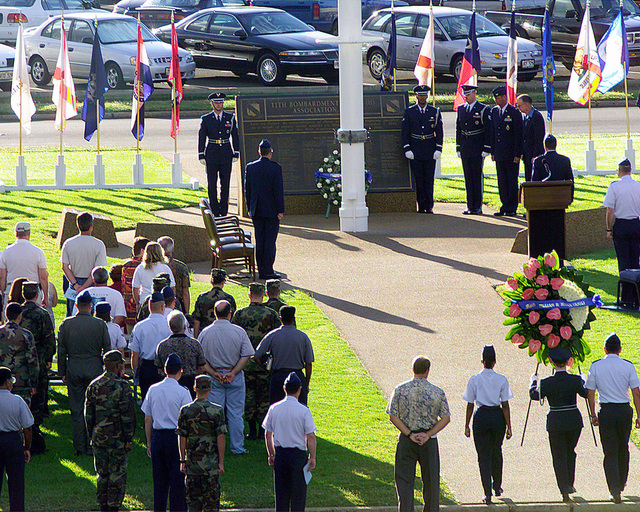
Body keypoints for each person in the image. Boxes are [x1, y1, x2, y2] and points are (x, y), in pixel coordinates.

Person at [387, 356, 450, 512]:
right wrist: (428, 434)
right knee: (431, 482)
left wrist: (409, 434)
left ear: (413, 369)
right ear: (428, 371)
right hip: (429, 441)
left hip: (407, 439)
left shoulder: (400, 390)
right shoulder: (437, 392)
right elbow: (446, 418)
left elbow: (393, 416)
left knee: (404, 480)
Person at [586, 333, 640, 504]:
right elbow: (636, 392)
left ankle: (614, 488)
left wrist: (593, 414)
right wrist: (639, 415)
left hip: (607, 411)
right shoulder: (628, 366)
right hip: (624, 410)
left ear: (604, 349)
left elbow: (590, 392)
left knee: (609, 450)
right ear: (620, 350)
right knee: (623, 447)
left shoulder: (596, 366)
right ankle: (621, 482)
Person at [530, 346, 587, 503]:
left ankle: (564, 489)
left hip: (556, 421)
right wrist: (583, 379)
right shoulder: (575, 380)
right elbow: (585, 393)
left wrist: (533, 382)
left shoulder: (547, 382)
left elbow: (534, 395)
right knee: (570, 452)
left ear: (551, 361)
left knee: (559, 456)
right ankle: (569, 483)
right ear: (568, 361)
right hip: (574, 421)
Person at [58, 290, 111, 456]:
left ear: (76, 305)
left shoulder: (66, 324)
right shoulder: (100, 324)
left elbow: (61, 351)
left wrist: (62, 372)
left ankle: (80, 446)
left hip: (74, 368)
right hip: (94, 369)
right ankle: (93, 444)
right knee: (95, 409)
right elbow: (108, 350)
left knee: (76, 409)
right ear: (91, 306)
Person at [199, 300, 254, 454]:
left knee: (214, 413)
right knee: (236, 414)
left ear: (214, 313)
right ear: (230, 313)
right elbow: (246, 355)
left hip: (214, 377)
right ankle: (237, 447)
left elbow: (201, 360)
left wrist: (214, 373)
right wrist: (233, 372)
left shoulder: (205, 333)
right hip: (233, 376)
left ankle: (213, 446)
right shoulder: (239, 332)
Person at [84, 350, 136, 512]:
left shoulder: (94, 385)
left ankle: (103, 506)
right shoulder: (123, 386)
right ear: (116, 365)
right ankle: (114, 506)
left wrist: (91, 435)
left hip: (99, 438)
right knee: (117, 475)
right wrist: (129, 438)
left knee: (102, 474)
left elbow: (88, 415)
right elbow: (127, 415)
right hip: (118, 439)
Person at [462, 345, 513, 504]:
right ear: (495, 361)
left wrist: (467, 424)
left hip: (481, 416)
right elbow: (505, 404)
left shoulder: (474, 379)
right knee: (496, 451)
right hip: (497, 416)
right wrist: (509, 425)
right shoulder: (501, 379)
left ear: (482, 361)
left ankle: (487, 492)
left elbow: (470, 404)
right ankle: (497, 486)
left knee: (483, 456)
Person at [142, 353, 192, 512]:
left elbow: (147, 419)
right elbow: (187, 421)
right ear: (180, 371)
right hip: (175, 438)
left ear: (164, 370)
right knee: (178, 482)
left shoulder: (153, 389)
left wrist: (149, 442)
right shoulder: (183, 392)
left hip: (158, 437)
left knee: (159, 483)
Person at [232, 282, 281, 440]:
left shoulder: (240, 314)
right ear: (264, 295)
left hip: (245, 363)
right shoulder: (271, 314)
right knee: (264, 397)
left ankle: (251, 429)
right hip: (265, 364)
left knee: (249, 396)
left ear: (249, 294)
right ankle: (262, 430)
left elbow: (234, 337)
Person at [262, 372, 317, 512]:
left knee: (281, 496)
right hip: (298, 456)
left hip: (281, 455)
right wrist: (312, 457)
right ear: (299, 389)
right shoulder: (304, 411)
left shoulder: (274, 408)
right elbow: (311, 436)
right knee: (298, 497)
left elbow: (268, 434)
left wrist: (271, 454)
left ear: (284, 388)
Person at [177, 374, 227, 512]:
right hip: (211, 466)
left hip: (193, 466)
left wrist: (182, 460)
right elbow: (220, 437)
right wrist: (221, 462)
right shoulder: (217, 411)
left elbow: (182, 437)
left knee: (193, 505)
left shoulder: (186, 410)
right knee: (211, 506)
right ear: (210, 388)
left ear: (194, 388)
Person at [20, 282, 56, 454]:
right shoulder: (42, 314)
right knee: (38, 400)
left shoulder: (17, 312)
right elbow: (49, 340)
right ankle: (34, 436)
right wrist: (48, 357)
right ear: (37, 294)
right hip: (38, 363)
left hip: (19, 365)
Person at [255, 305, 314, 406]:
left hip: (278, 377)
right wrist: (306, 384)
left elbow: (256, 356)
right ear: (294, 318)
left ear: (280, 318)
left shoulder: (272, 335)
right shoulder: (303, 337)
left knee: (277, 409)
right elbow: (308, 363)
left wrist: (267, 369)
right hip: (298, 377)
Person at [244, 139, 285, 280]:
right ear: (271, 152)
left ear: (259, 152)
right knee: (270, 242)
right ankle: (268, 270)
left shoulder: (250, 167)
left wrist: (250, 208)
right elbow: (278, 191)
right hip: (272, 211)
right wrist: (280, 210)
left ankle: (261, 269)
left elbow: (247, 191)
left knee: (260, 241)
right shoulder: (276, 168)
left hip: (257, 211)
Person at [603, 158, 640, 306]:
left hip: (622, 226)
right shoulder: (638, 186)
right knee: (635, 260)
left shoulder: (614, 187)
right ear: (630, 170)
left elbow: (610, 210)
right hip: (635, 224)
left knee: (623, 262)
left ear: (619, 171)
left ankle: (626, 297)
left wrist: (608, 228)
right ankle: (636, 296)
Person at [401, 85, 444, 214]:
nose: (422, 98)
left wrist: (438, 148)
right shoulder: (409, 112)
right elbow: (405, 132)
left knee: (429, 179)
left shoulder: (434, 111)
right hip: (416, 149)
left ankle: (429, 205)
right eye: (420, 95)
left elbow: (439, 132)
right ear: (416, 96)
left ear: (427, 96)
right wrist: (407, 148)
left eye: (424, 95)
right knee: (419, 178)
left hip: (429, 149)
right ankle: (421, 205)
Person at [198, 92, 240, 217]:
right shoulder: (206, 119)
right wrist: (201, 154)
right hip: (211, 152)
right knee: (212, 183)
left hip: (226, 153)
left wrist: (236, 151)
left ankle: (224, 210)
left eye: (221, 102)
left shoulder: (230, 117)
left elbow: (235, 136)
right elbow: (202, 137)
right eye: (216, 102)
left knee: (225, 183)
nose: (219, 105)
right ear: (212, 104)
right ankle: (215, 210)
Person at [61, 211, 108, 316]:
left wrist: (76, 285)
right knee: (92, 315)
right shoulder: (99, 244)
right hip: (91, 283)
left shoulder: (68, 243)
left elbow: (65, 267)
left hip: (74, 283)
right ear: (91, 226)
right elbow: (98, 269)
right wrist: (84, 286)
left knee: (72, 315)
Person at [0, 366, 34, 512]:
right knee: (16, 482)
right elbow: (27, 427)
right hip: (13, 440)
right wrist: (26, 447)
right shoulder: (17, 400)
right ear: (7, 382)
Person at [456, 84, 491, 215]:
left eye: (469, 94)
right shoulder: (461, 109)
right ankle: (470, 205)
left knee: (476, 176)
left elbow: (488, 130)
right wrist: (458, 147)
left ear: (475, 93)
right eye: (465, 94)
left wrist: (486, 148)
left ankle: (477, 205)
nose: (466, 96)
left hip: (477, 147)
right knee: (468, 177)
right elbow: (458, 129)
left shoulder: (483, 109)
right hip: (465, 146)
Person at [130, 292, 172, 400]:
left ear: (149, 307)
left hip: (146, 369)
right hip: (165, 367)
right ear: (163, 307)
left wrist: (136, 374)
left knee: (147, 401)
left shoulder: (139, 327)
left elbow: (135, 355)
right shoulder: (169, 326)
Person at [489, 85, 523, 217]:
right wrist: (493, 151)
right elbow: (493, 132)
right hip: (499, 152)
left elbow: (518, 135)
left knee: (511, 180)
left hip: (511, 154)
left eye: (498, 98)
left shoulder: (514, 112)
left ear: (504, 97)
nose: (496, 100)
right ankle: (504, 205)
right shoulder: (495, 112)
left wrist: (517, 154)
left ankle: (512, 207)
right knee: (502, 181)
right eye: (495, 98)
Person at [155, 311, 205, 398]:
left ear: (169, 327)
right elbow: (201, 367)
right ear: (184, 327)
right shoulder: (195, 344)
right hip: (190, 385)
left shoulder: (162, 346)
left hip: (168, 386)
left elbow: (159, 369)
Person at [0, 221, 49, 306]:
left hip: (12, 291)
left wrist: (3, 294)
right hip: (32, 292)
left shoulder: (6, 251)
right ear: (29, 233)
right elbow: (43, 277)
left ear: (16, 234)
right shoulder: (37, 252)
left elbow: (2, 276)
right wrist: (45, 296)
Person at [0, 303, 39, 407]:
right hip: (22, 382)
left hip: (1, 382)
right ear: (19, 316)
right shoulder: (26, 335)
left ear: (6, 315)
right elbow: (32, 361)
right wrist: (33, 383)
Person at [192, 268, 236, 338]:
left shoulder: (202, 298)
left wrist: (196, 339)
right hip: (224, 336)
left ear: (211, 281)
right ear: (223, 282)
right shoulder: (229, 299)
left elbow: (196, 321)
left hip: (205, 335)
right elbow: (232, 321)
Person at [132, 242, 176, 308]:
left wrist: (138, 304)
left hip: (145, 302)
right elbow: (172, 287)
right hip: (162, 302)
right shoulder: (165, 268)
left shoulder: (140, 268)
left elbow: (135, 288)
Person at [121, 236, 150, 331]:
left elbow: (124, 286)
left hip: (129, 310)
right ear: (143, 251)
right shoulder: (145, 266)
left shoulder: (126, 266)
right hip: (144, 309)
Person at [158, 236, 191, 314]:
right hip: (177, 305)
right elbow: (185, 292)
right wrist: (187, 313)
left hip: (158, 304)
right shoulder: (181, 267)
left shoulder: (154, 266)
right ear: (172, 249)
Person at [516, 94, 545, 182]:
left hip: (534, 154)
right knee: (528, 177)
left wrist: (535, 155)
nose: (518, 108)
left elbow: (538, 137)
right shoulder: (525, 116)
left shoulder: (536, 117)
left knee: (534, 179)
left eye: (519, 105)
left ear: (527, 105)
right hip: (526, 154)